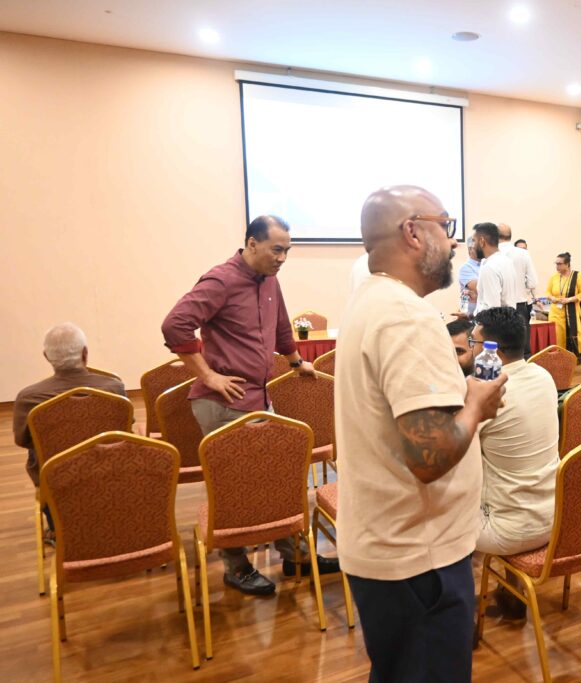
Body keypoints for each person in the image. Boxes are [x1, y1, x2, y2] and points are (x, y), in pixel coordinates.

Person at [334, 185, 507, 682]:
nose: (454, 242)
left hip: (393, 544)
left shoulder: (371, 300)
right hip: (419, 558)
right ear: (412, 231)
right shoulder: (407, 317)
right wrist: (476, 404)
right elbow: (429, 457)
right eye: (446, 226)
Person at [162, 214, 336, 597]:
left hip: (258, 398)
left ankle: (294, 556)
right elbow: (175, 325)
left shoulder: (270, 279)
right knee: (234, 486)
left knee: (278, 477)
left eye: (287, 251)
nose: (282, 258)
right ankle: (236, 567)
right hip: (224, 401)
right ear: (252, 244)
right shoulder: (221, 280)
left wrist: (296, 362)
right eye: (276, 250)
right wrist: (208, 375)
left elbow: (281, 328)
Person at [471, 307, 559, 620]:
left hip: (507, 532)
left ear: (491, 351)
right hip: (555, 518)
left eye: (473, 343)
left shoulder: (488, 394)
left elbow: (459, 462)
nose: (471, 349)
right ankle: (511, 593)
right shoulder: (544, 377)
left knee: (441, 516)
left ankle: (459, 616)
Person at [13, 323, 127, 540]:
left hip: (56, 477)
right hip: (107, 470)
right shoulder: (114, 388)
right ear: (85, 353)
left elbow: (22, 440)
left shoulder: (29, 397)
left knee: (36, 448)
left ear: (46, 356)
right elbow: (123, 430)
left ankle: (58, 529)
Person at [498, 223, 539, 357]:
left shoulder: (492, 254)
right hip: (520, 305)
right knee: (523, 347)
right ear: (510, 236)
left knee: (501, 347)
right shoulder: (523, 253)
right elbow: (533, 282)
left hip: (498, 307)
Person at [546, 252, 581, 371]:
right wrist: (553, 298)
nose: (557, 266)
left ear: (567, 264)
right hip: (556, 313)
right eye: (556, 263)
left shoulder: (577, 276)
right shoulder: (554, 277)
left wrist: (569, 299)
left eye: (559, 264)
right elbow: (547, 292)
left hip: (572, 312)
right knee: (558, 339)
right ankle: (561, 365)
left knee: (579, 338)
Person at [472, 222, 516, 315]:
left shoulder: (490, 267)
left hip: (493, 322)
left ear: (482, 241)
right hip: (509, 318)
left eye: (474, 241)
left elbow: (491, 310)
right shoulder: (507, 261)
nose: (473, 246)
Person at [458, 241, 480, 316]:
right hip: (471, 314)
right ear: (470, 249)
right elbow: (480, 288)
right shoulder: (466, 268)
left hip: (484, 312)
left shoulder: (486, 264)